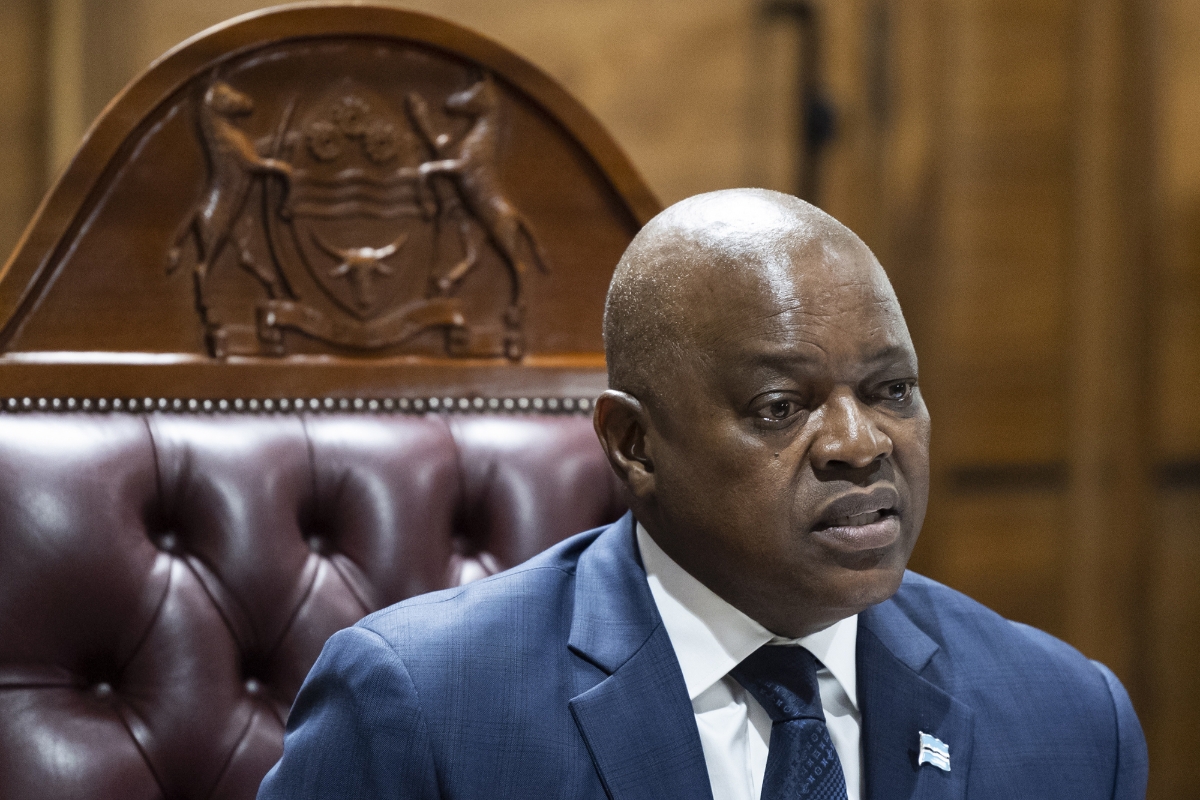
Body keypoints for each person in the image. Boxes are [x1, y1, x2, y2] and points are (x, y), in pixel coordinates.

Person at [257, 189, 1147, 799]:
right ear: (634, 445)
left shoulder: (1069, 720)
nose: (859, 444)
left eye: (891, 390)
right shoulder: (425, 708)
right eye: (781, 406)